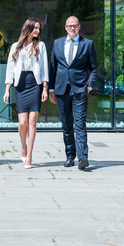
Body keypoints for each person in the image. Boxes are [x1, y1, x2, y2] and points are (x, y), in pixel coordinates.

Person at [49, 16, 97, 170]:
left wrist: (89, 85)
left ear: (79, 26)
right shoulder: (57, 44)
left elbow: (94, 68)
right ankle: (70, 156)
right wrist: (51, 89)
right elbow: (53, 68)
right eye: (69, 26)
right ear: (65, 27)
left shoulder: (88, 44)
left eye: (75, 26)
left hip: (80, 90)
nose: (72, 28)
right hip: (62, 90)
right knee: (66, 125)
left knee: (80, 124)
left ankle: (83, 158)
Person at [3, 18, 48, 169]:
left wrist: (45, 88)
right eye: (35, 28)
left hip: (34, 83)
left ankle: (29, 157)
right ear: (28, 28)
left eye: (39, 28)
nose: (37, 31)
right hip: (20, 85)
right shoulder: (16, 46)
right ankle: (23, 146)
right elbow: (10, 68)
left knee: (33, 121)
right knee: (22, 123)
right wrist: (7, 89)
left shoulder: (41, 45)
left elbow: (44, 68)